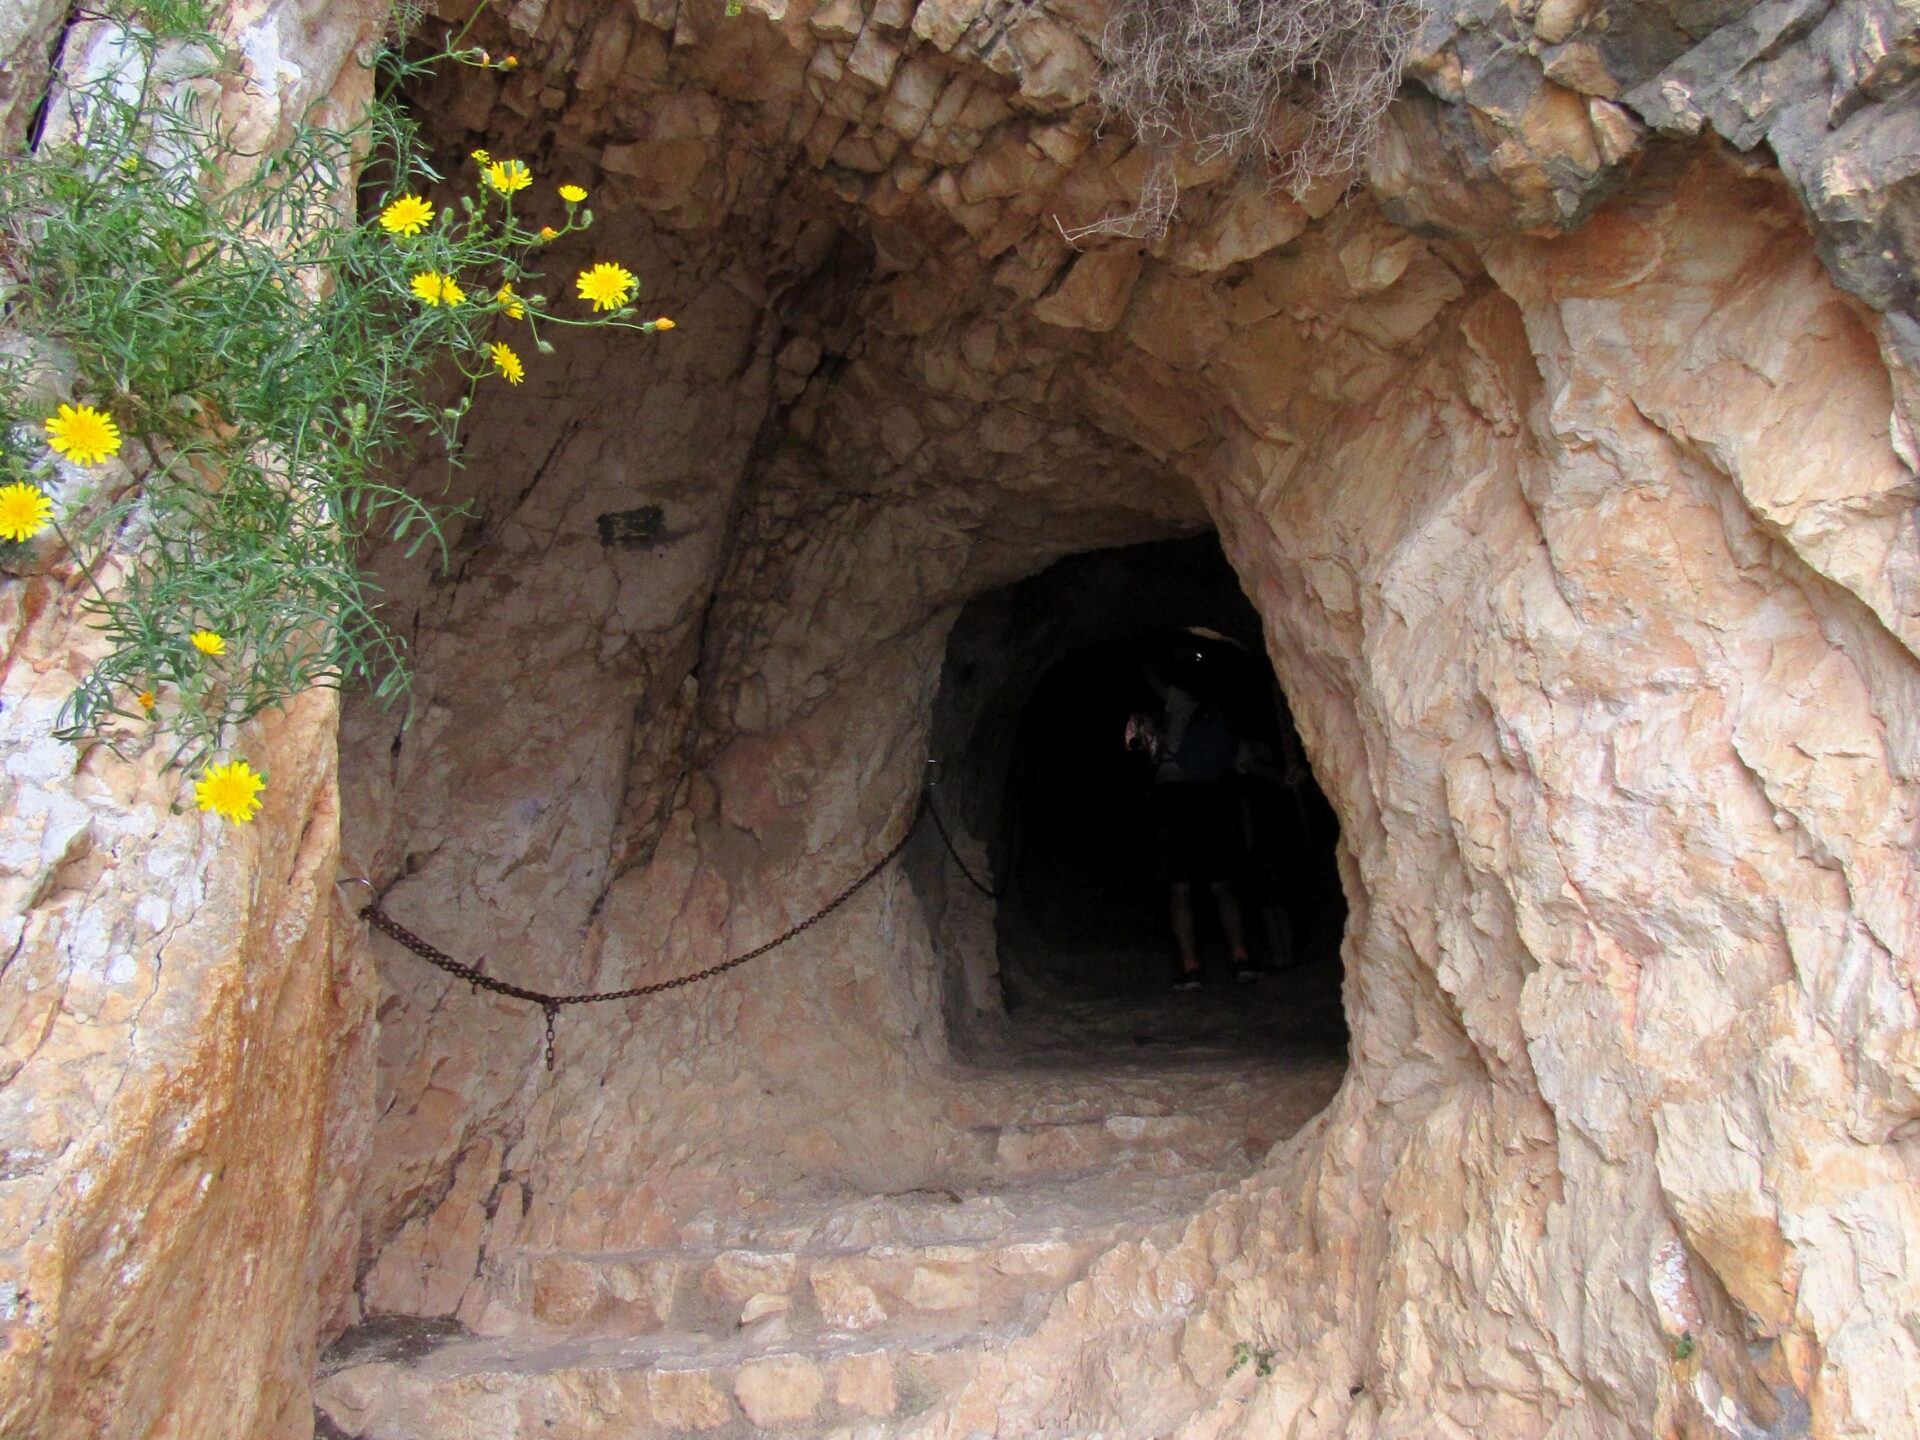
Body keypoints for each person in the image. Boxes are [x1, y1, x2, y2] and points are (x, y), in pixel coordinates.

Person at [1128, 665, 1252, 990]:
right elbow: (1246, 766)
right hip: (1210, 800)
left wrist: (1136, 656)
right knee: (1221, 884)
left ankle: (1191, 968)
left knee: (1180, 886)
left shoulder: (1183, 705)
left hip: (1176, 799)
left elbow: (1155, 680)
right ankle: (1241, 959)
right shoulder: (1225, 728)